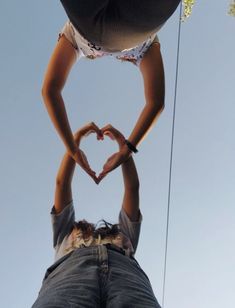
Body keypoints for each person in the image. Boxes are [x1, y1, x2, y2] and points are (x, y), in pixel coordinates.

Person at [41, 0, 181, 182]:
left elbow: (156, 104)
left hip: (128, 27)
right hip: (99, 27)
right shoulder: (77, 40)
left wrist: (127, 148)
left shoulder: (140, 50)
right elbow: (49, 91)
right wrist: (73, 149)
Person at [32, 123, 161, 308]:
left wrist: (123, 148)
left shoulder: (124, 235)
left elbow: (132, 188)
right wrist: (75, 142)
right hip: (69, 277)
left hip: (126, 277)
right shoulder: (64, 234)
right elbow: (62, 183)